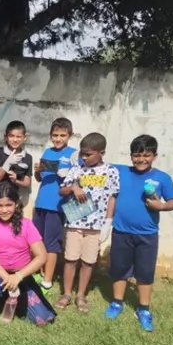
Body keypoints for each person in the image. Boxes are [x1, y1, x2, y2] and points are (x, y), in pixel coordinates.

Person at [104, 135, 173, 332]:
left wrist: (161, 206)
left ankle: (144, 309)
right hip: (121, 232)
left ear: (154, 156)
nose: (141, 160)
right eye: (137, 155)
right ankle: (117, 302)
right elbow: (95, 160)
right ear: (131, 156)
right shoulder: (120, 171)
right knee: (119, 269)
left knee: (145, 273)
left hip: (147, 235)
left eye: (146, 155)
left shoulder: (162, 178)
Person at [56, 133, 119, 311]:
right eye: (82, 154)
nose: (84, 157)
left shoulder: (111, 171)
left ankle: (81, 295)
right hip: (75, 223)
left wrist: (108, 222)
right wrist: (74, 187)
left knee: (88, 262)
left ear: (102, 153)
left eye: (89, 154)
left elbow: (112, 198)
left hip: (96, 224)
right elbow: (62, 191)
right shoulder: (77, 169)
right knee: (70, 259)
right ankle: (66, 293)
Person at [0, 185, 57, 325]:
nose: (4, 210)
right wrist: (8, 278)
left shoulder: (26, 225)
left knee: (43, 320)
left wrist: (18, 276)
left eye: (9, 205)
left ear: (16, 204)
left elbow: (42, 256)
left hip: (23, 275)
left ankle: (17, 299)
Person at [32, 117, 78, 294]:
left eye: (62, 135)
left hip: (58, 206)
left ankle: (47, 280)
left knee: (52, 244)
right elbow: (40, 179)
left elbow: (79, 179)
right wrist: (37, 171)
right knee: (37, 241)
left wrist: (66, 175)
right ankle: (37, 273)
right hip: (41, 203)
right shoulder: (47, 152)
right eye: (55, 135)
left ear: (70, 135)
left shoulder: (74, 154)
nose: (58, 139)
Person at [0, 120, 33, 205]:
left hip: (12, 199)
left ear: (25, 137)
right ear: (6, 136)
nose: (15, 139)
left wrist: (16, 180)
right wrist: (8, 163)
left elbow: (27, 182)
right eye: (11, 136)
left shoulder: (27, 157)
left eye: (18, 137)